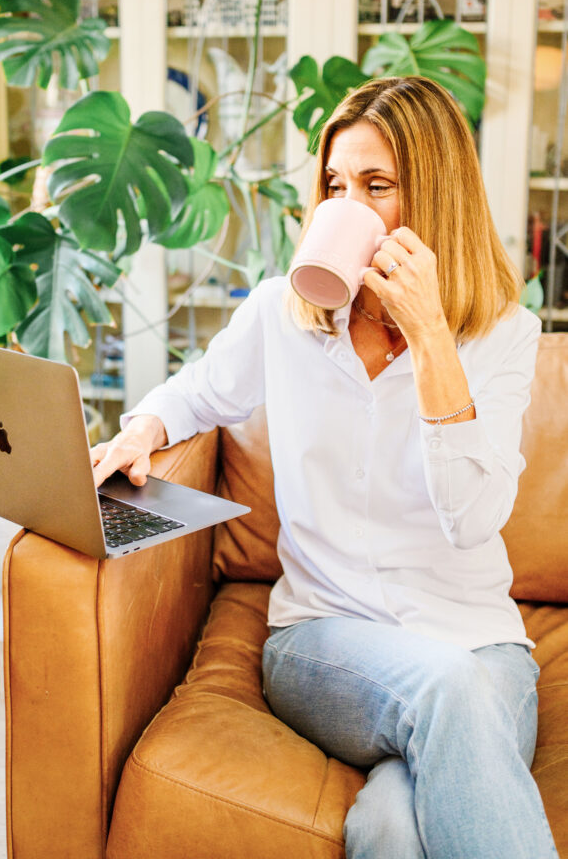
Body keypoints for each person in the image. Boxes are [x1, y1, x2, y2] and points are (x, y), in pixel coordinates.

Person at [91, 75, 558, 859]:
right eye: (336, 187)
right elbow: (196, 392)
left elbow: (472, 518)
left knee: (385, 826)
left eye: (377, 187)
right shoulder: (280, 314)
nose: (349, 207)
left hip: (478, 646)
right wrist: (142, 425)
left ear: (436, 198)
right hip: (322, 638)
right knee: (442, 690)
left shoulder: (506, 336)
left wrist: (433, 339)